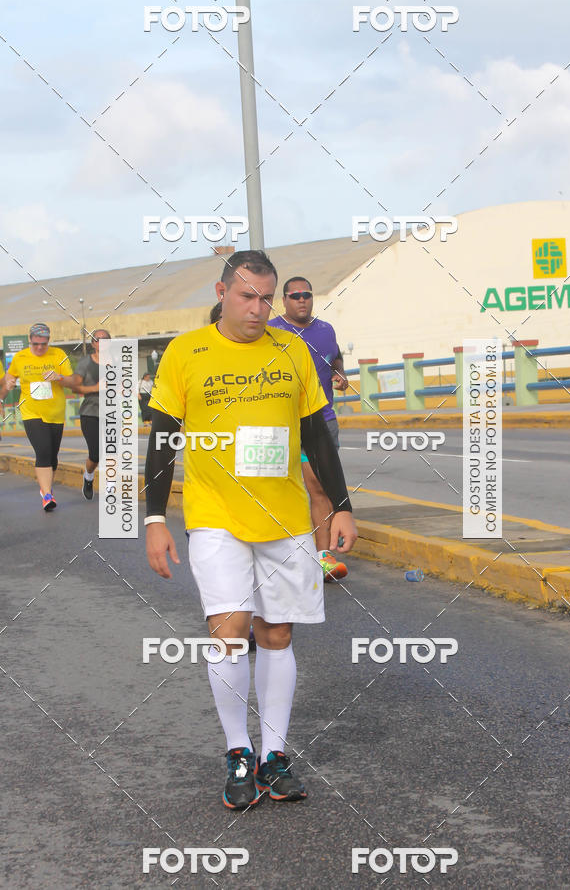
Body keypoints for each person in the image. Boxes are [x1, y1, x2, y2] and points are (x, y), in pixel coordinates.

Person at [144, 249, 357, 810]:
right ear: (222, 293)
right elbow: (163, 438)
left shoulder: (292, 350)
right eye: (247, 297)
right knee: (229, 630)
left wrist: (340, 505)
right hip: (215, 515)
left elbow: (316, 433)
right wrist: (155, 519)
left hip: (284, 518)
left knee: (278, 634)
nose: (259, 309)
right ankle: (239, 751)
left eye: (267, 298)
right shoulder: (186, 352)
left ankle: (275, 754)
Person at [268, 277, 350, 582]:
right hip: (283, 423)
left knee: (319, 486)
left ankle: (322, 557)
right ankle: (282, 554)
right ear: (285, 300)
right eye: (295, 296)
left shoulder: (326, 330)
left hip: (322, 421)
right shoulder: (272, 330)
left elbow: (335, 357)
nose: (302, 300)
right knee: (283, 490)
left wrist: (339, 374)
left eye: (307, 295)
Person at [0, 323, 73, 510]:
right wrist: (4, 393)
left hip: (55, 413)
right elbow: (8, 381)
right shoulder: (20, 357)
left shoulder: (58, 355)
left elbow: (73, 381)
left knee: (52, 456)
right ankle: (47, 495)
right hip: (31, 411)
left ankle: (45, 488)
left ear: (48, 341)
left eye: (43, 343)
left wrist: (59, 377)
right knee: (43, 451)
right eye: (35, 344)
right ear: (29, 341)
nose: (40, 347)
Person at [60, 329, 111, 500]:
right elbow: (75, 387)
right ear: (93, 343)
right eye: (98, 339)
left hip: (112, 413)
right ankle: (88, 477)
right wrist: (95, 388)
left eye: (105, 339)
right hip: (90, 412)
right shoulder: (85, 363)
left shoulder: (118, 362)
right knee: (96, 453)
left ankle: (110, 488)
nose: (101, 342)